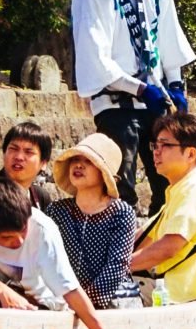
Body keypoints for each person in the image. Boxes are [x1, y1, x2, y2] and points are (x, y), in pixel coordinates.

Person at [60, 0, 194, 215]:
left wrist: (175, 83)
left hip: (159, 99)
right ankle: (123, 256)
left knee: (170, 177)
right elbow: (96, 58)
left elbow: (169, 35)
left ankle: (163, 249)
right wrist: (141, 89)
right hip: (116, 104)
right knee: (120, 183)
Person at [0, 172, 129, 329]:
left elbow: (70, 291)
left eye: (23, 231)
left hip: (41, 304)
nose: (19, 241)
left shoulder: (43, 229)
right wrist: (0, 290)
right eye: (6, 238)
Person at [130, 110, 196, 305]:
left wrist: (114, 269)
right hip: (177, 291)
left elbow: (169, 247)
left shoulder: (195, 188)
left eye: (166, 145)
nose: (156, 151)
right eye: (155, 144)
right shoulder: (179, 189)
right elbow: (147, 238)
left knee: (109, 293)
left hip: (194, 296)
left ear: (190, 153)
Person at [43, 131, 141, 308]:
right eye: (75, 160)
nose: (79, 165)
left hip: (111, 303)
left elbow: (117, 265)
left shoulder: (121, 213)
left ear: (104, 174)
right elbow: (44, 259)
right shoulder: (56, 211)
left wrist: (84, 305)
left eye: (88, 161)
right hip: (62, 304)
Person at [0, 119, 61, 209]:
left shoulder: (41, 197)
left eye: (28, 152)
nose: (19, 157)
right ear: (4, 153)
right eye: (13, 149)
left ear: (43, 163)